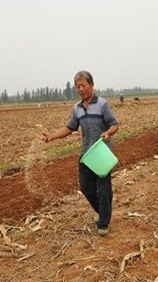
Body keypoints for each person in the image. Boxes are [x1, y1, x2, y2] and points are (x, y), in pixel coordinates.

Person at [42, 70, 120, 236]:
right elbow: (70, 128)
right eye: (78, 86)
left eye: (84, 85)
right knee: (86, 188)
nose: (81, 89)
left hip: (101, 152)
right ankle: (104, 212)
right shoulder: (77, 109)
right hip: (86, 153)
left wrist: (108, 133)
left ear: (91, 85)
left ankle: (104, 222)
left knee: (104, 189)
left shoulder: (102, 104)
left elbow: (114, 124)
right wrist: (52, 136)